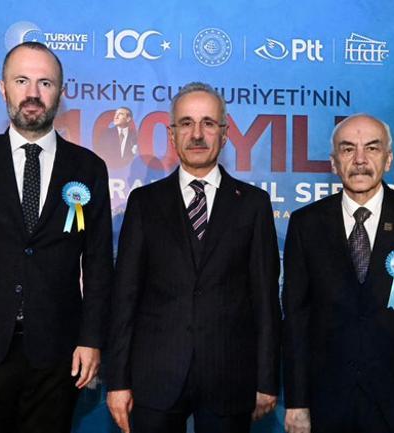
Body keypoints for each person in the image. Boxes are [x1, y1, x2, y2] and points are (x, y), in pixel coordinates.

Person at [0, 41, 113, 433]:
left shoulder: (89, 168)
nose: (33, 93)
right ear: (3, 88)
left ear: (61, 92)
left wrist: (92, 339)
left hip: (59, 353)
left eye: (45, 83)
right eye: (21, 81)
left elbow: (98, 264)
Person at [105, 82, 281, 433]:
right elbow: (125, 297)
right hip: (155, 377)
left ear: (225, 134)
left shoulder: (253, 204)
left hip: (230, 377)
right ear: (172, 136)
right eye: (186, 123)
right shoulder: (144, 204)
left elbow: (265, 300)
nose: (197, 134)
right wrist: (118, 380)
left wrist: (267, 378)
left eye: (208, 123)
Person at [282, 114, 394, 433]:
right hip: (328, 406)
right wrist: (297, 402)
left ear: (388, 159)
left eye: (372, 148)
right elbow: (296, 321)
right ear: (334, 163)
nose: (360, 160)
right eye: (348, 149)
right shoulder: (305, 224)